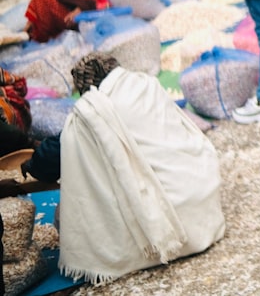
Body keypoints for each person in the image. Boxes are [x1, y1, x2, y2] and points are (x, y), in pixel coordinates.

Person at [23, 53, 225, 284]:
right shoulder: (148, 86)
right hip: (199, 200)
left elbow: (50, 159)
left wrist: (30, 163)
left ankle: (152, 247)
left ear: (87, 88)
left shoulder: (94, 109)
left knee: (69, 215)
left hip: (167, 216)